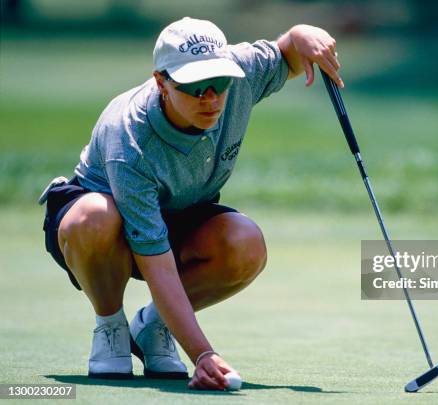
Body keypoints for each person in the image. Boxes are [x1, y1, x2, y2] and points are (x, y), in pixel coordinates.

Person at [39, 17, 343, 390]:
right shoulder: (130, 140)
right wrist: (202, 353)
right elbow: (158, 267)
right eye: (195, 87)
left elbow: (289, 54)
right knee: (95, 219)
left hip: (181, 212)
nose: (211, 98)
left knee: (244, 242)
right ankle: (111, 327)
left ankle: (153, 327)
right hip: (101, 228)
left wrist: (301, 35)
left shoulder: (242, 71)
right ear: (161, 82)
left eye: (218, 84)